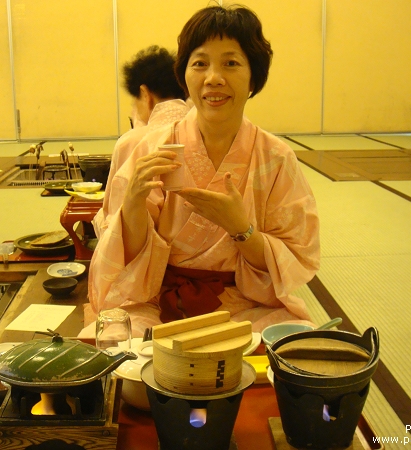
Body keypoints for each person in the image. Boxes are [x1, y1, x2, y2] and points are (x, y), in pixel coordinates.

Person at [81, 5, 320, 338]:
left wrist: (241, 228)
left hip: (241, 305)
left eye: (231, 63)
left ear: (254, 76)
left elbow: (295, 257)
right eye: (200, 63)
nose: (214, 78)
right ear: (185, 75)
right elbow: (125, 260)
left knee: (294, 346)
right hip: (154, 302)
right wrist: (133, 203)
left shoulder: (276, 158)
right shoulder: (151, 147)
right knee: (120, 354)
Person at [92, 45, 192, 239]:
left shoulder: (134, 141)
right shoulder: (203, 132)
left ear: (145, 95)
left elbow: (115, 220)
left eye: (134, 102)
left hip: (149, 256)